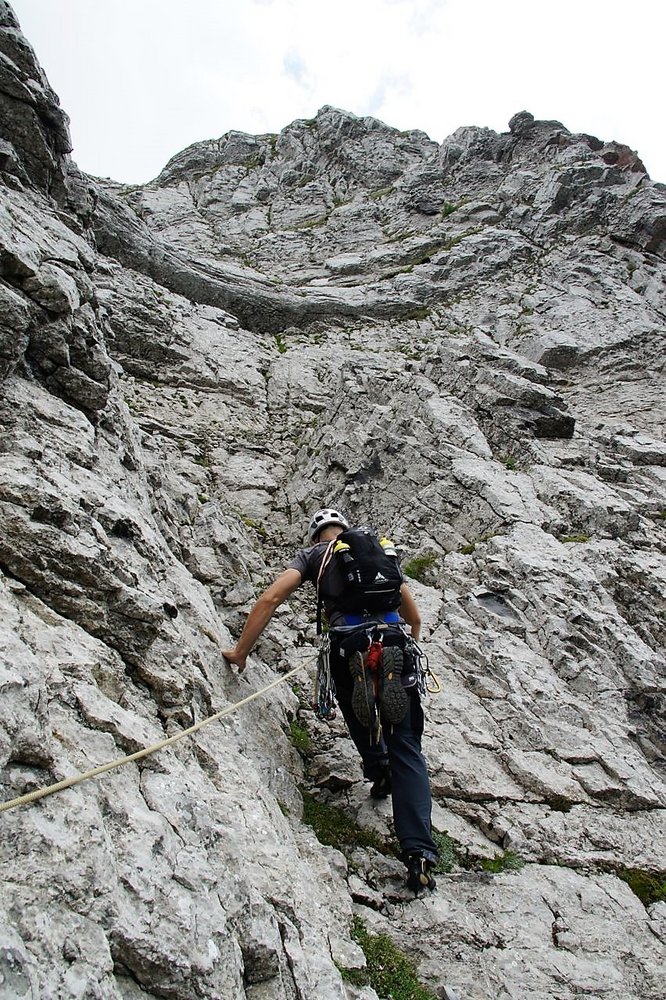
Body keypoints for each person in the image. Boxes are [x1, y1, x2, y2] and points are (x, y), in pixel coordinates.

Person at [222, 507, 438, 894]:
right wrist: (410, 649)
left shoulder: (314, 556)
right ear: (346, 530)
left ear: (314, 535)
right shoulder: (377, 550)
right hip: (394, 640)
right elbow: (414, 617)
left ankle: (377, 765)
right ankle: (419, 853)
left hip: (347, 643)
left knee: (353, 703)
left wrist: (241, 652)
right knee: (406, 745)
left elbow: (272, 598)